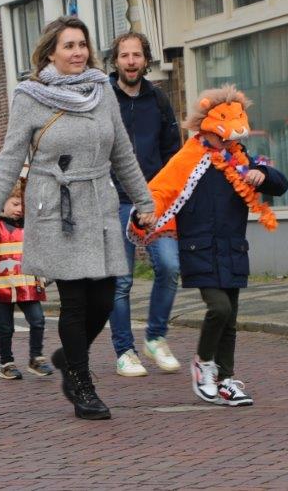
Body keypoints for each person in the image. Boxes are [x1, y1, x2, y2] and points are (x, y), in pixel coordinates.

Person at [0, 15, 157, 421]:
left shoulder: (101, 91)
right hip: (57, 206)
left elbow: (122, 153)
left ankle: (68, 355)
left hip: (100, 205)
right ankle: (81, 384)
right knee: (74, 302)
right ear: (50, 52)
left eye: (82, 45)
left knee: (105, 300)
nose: (78, 52)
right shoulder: (30, 96)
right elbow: (8, 161)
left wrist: (145, 203)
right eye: (69, 46)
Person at [129, 85, 288, 407]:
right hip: (198, 249)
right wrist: (143, 215)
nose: (229, 140)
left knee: (230, 319)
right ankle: (203, 364)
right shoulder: (190, 157)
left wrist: (261, 173)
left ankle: (226, 379)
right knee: (220, 309)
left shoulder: (241, 159)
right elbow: (161, 189)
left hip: (232, 248)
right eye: (223, 133)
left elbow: (280, 184)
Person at [106, 32, 183, 378]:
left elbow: (172, 152)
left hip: (157, 199)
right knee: (120, 281)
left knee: (168, 266)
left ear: (145, 60)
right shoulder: (102, 98)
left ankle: (155, 336)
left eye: (137, 55)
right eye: (125, 55)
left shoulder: (159, 100)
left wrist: (171, 193)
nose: (131, 61)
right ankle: (125, 351)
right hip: (117, 199)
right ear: (116, 60)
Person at [0, 181, 51, 381]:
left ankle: (36, 358)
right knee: (6, 326)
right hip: (2, 287)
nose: (20, 209)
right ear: (2, 203)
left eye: (23, 204)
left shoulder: (31, 226)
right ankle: (6, 362)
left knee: (38, 320)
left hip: (27, 285)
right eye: (15, 204)